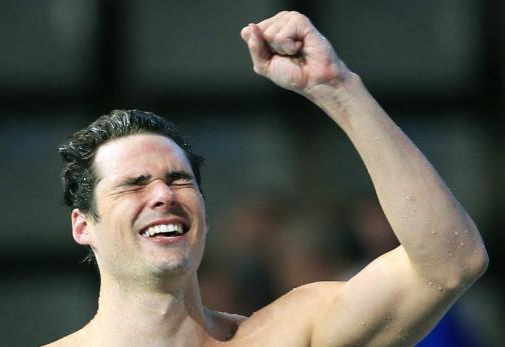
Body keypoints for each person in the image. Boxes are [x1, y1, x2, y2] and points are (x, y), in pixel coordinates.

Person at [44, 11, 488, 346]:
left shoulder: (294, 333)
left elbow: (451, 264)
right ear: (83, 225)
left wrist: (338, 90)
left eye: (179, 179)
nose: (162, 194)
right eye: (134, 183)